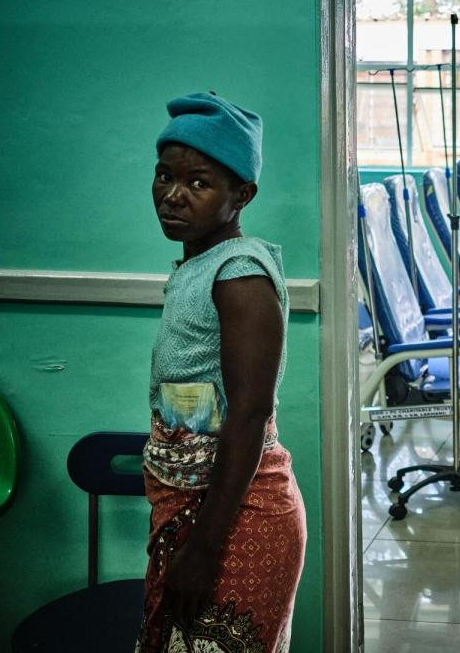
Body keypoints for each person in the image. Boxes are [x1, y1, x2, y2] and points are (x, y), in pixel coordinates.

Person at [137, 92, 306, 652]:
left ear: (242, 194)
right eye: (165, 176)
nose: (172, 195)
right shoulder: (196, 265)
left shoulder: (239, 273)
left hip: (237, 522)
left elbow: (250, 414)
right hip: (193, 513)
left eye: (198, 183)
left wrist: (204, 550)